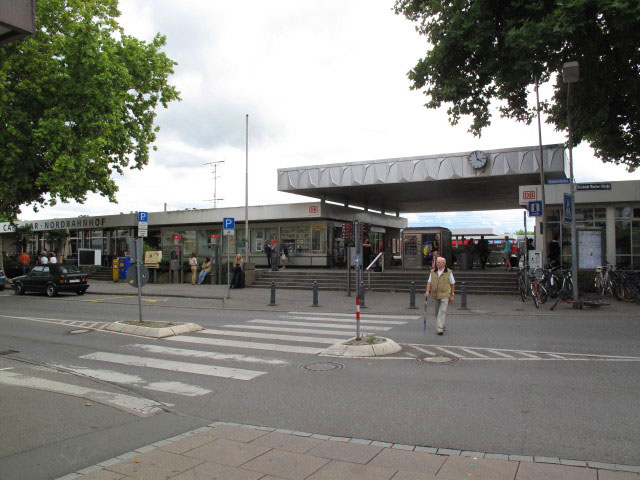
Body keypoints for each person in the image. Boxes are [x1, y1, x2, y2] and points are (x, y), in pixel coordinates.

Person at [425, 256, 455, 335]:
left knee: (442, 311)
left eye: (439, 262)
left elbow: (452, 284)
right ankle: (442, 324)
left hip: (445, 294)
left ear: (444, 264)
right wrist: (427, 291)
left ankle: (439, 328)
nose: (437, 264)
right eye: (436, 262)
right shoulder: (433, 271)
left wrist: (452, 294)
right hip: (436, 294)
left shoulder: (449, 272)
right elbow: (429, 282)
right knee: (437, 313)